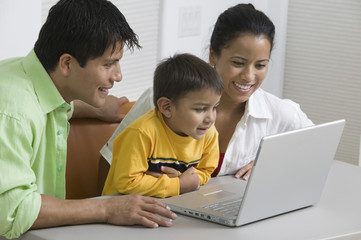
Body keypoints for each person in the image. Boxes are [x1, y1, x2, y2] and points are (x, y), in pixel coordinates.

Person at [0, 0, 176, 239]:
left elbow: (45, 102)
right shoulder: (13, 114)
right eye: (108, 64)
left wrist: (93, 108)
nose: (119, 75)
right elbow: (11, 212)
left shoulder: (27, 75)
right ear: (67, 64)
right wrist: (106, 207)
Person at [100, 3, 313, 181]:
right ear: (213, 55)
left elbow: (318, 149)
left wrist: (272, 161)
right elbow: (109, 164)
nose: (248, 76)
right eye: (238, 63)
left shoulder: (278, 113)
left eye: (260, 65)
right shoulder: (164, 99)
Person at [102, 53, 224, 198]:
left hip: (166, 204)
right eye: (200, 109)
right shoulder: (141, 133)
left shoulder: (209, 133)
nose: (211, 118)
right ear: (167, 107)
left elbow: (205, 171)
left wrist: (181, 179)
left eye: (214, 107)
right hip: (121, 208)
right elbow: (127, 183)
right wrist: (178, 184)